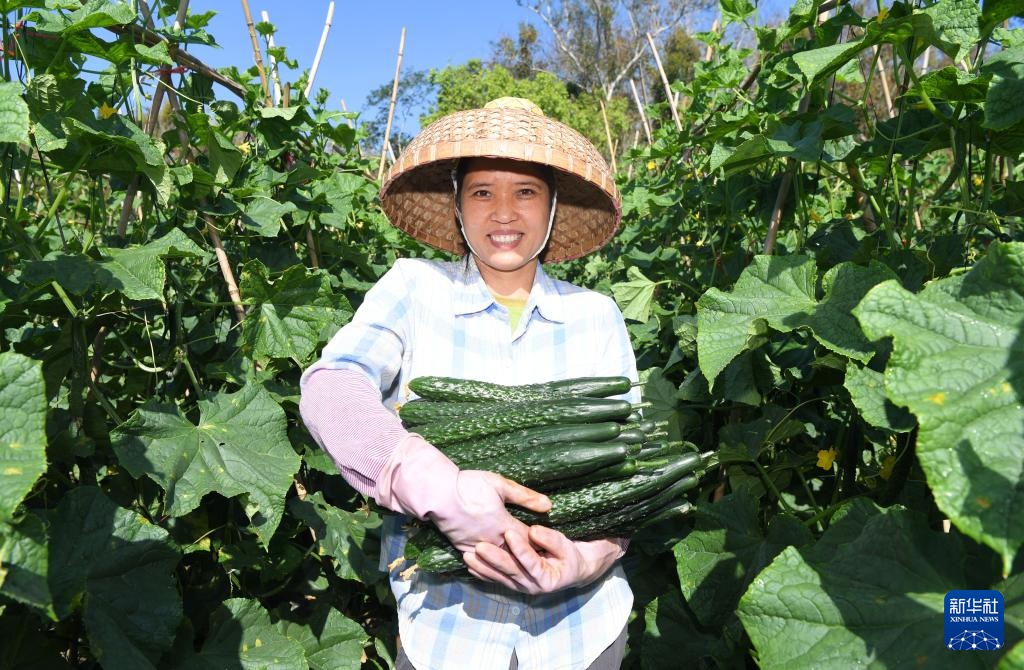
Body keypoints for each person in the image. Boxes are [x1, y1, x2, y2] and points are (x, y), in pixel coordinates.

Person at [300, 97, 640, 670]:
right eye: (482, 191)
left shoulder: (597, 314)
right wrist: (435, 486)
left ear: (553, 206)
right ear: (457, 205)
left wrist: (591, 556)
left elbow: (628, 468)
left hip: (584, 632)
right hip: (447, 634)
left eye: (526, 191)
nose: (503, 212)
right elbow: (330, 389)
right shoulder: (413, 288)